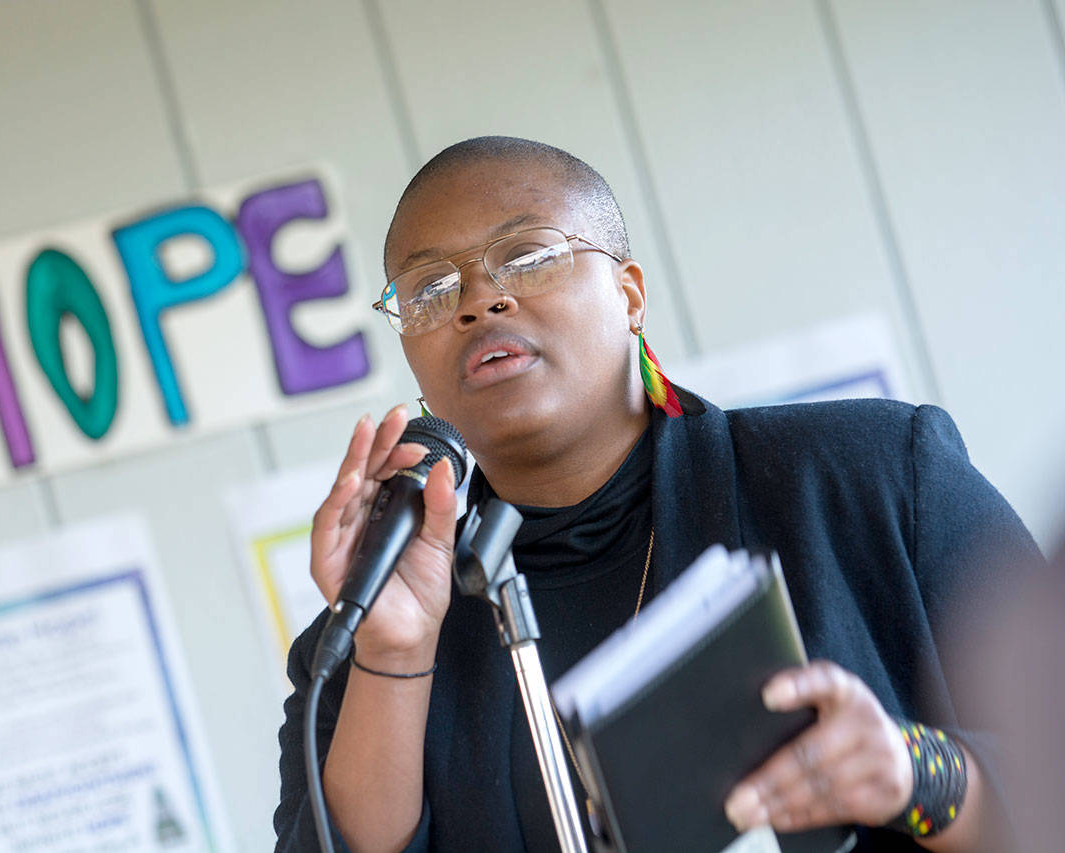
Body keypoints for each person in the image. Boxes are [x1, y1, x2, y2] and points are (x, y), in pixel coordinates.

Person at [273, 136, 1042, 852]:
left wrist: (920, 773)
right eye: (431, 287)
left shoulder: (868, 472)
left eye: (528, 254)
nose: (479, 299)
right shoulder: (361, 640)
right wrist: (395, 654)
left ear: (630, 295)